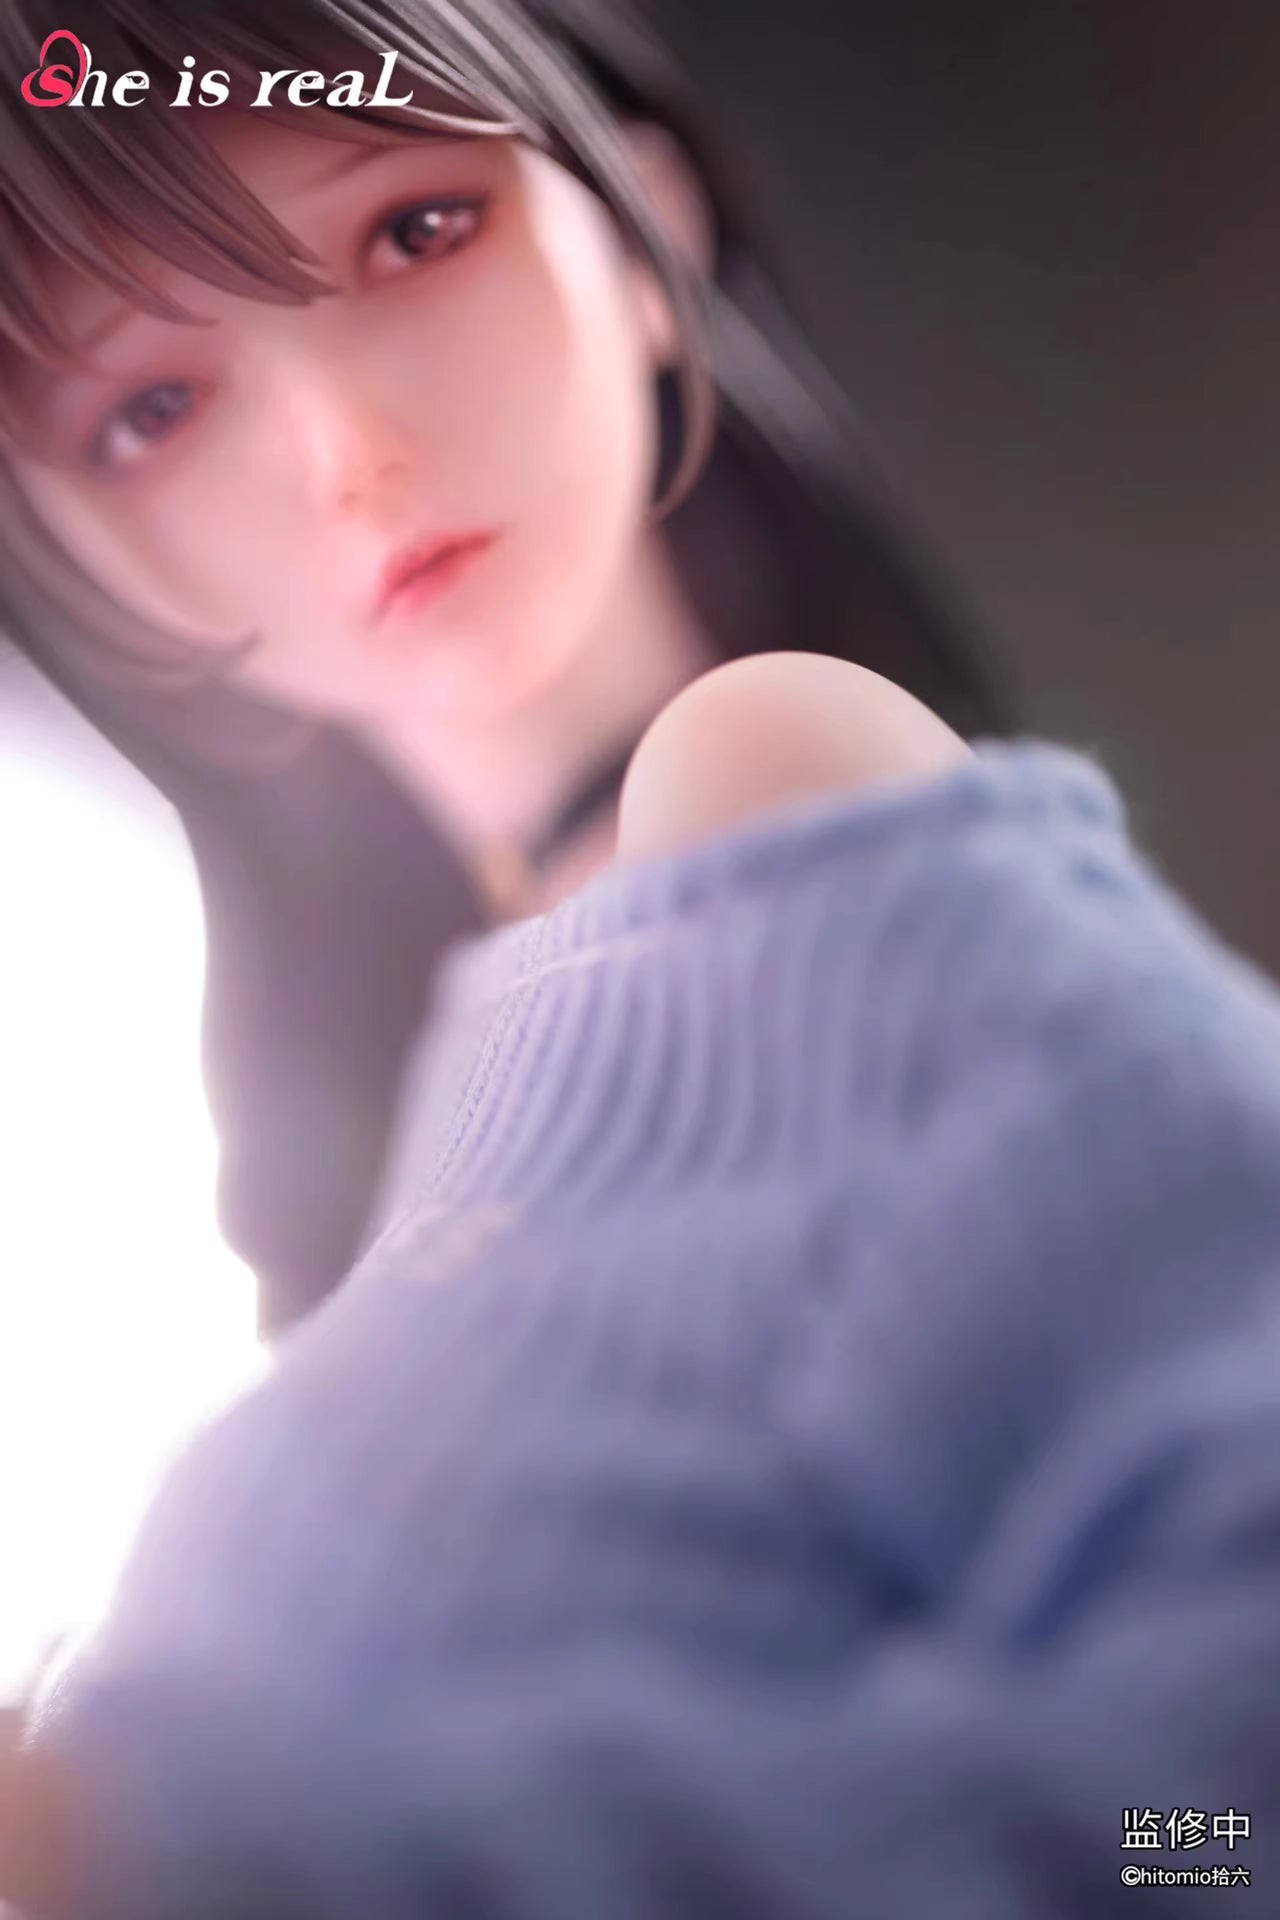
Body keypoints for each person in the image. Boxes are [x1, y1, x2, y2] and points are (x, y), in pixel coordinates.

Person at [4, 647, 1280, 1918]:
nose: (348, 506)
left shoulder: (792, 791)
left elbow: (1221, 1829)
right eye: (147, 432)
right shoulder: (366, 1184)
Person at [0, 0, 1007, 1336]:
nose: (347, 455)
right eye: (151, 411)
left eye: (419, 231)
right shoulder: (371, 1125)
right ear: (58, 547)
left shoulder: (784, 780)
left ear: (647, 222)